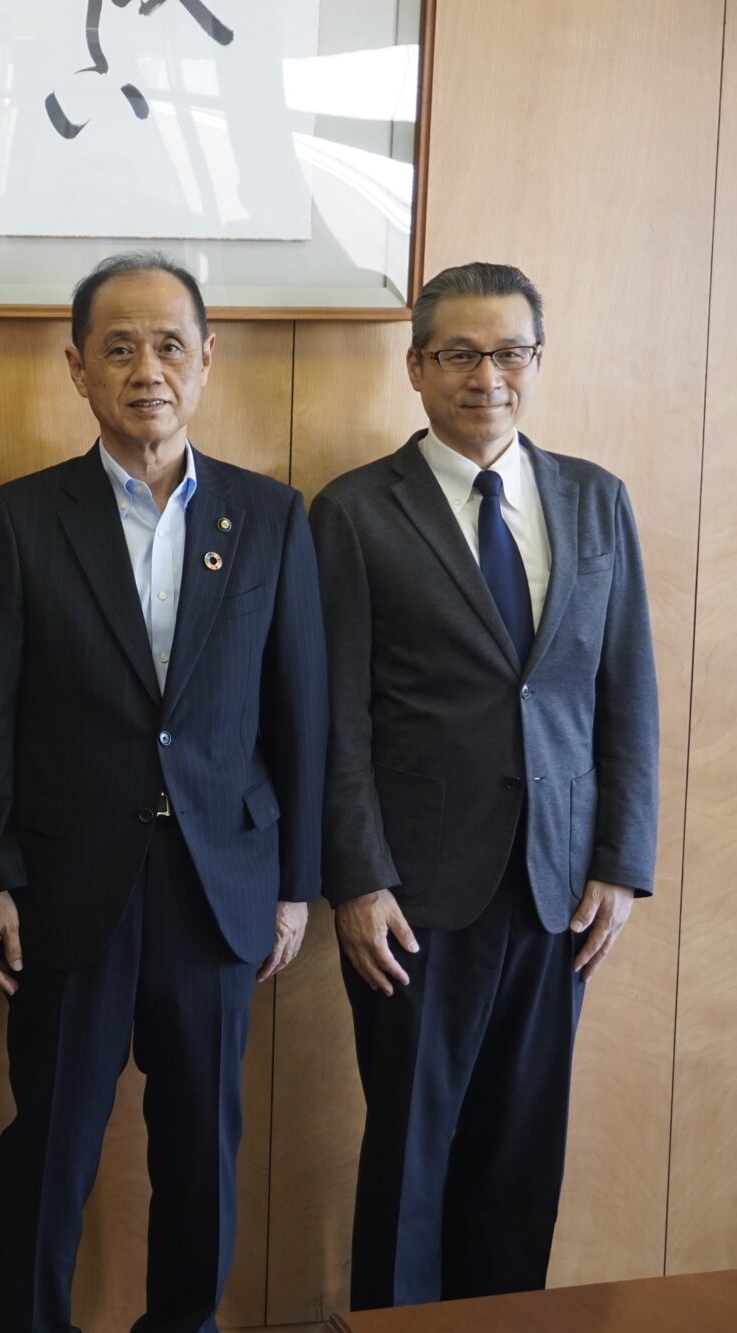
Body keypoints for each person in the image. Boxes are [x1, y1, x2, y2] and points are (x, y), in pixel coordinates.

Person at [0, 252, 326, 1333]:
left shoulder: (270, 516)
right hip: (67, 885)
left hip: (219, 886)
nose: (145, 370)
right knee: (50, 1142)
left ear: (207, 359)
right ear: (76, 367)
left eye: (168, 345)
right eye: (117, 348)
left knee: (202, 1148)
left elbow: (299, 713)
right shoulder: (21, 517)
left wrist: (295, 884)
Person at [310, 261, 657, 1309]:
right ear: (416, 365)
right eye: (459, 353)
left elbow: (625, 691)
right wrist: (356, 877)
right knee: (410, 1153)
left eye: (509, 352)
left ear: (536, 361)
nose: (486, 376)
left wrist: (620, 862)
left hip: (558, 889)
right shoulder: (354, 511)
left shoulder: (594, 500)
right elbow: (335, 715)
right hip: (412, 896)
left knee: (520, 1154)